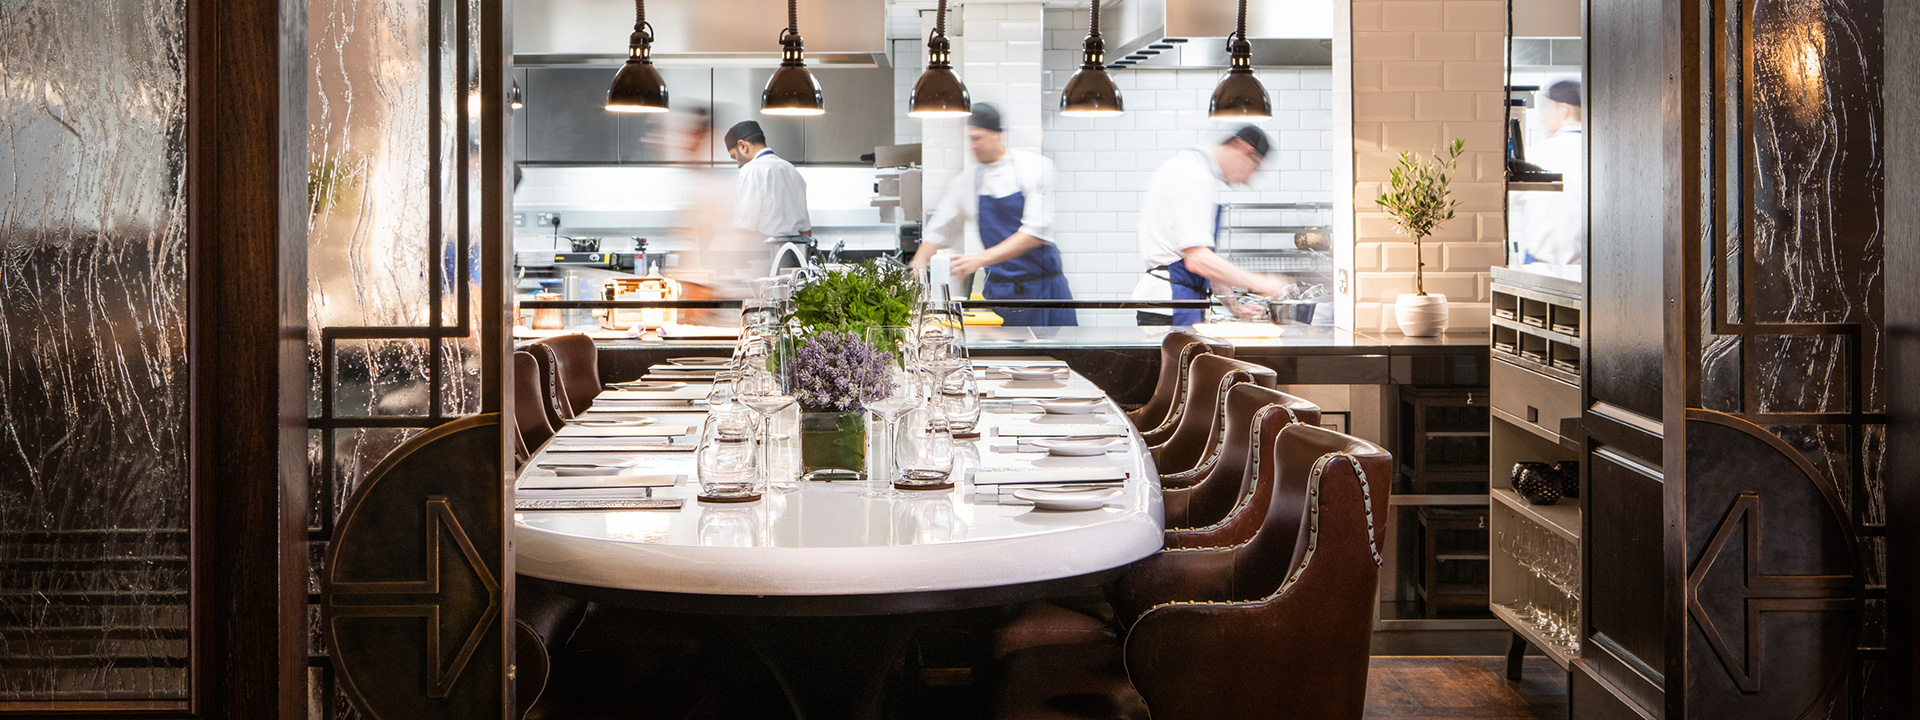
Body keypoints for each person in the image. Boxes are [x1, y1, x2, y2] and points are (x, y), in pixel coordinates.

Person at [909, 104, 1076, 326]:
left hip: (1044, 291)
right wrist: (919, 263)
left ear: (998, 135)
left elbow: (1035, 233)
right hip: (1001, 295)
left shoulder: (1035, 168)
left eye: (978, 138)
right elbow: (941, 229)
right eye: (969, 139)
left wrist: (978, 260)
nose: (972, 145)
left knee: (1056, 357)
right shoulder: (965, 182)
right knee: (1003, 360)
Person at [1131, 126, 1292, 326]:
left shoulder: (1194, 170)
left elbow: (1202, 257)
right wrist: (1263, 282)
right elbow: (1198, 260)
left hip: (1179, 300)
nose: (1248, 181)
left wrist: (1233, 305)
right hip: (1171, 302)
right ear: (1244, 150)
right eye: (1255, 168)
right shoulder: (1193, 174)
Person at [1510, 78, 1584, 269]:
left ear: (1564, 110)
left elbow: (1503, 202)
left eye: (1546, 109)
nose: (1542, 118)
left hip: (1541, 269)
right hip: (1588, 275)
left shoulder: (1537, 155)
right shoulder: (1600, 155)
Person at [724, 121, 812, 273]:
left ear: (743, 146)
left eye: (734, 157)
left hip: (763, 263)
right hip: (795, 264)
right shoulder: (791, 170)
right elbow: (806, 231)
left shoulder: (751, 171)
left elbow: (744, 227)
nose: (738, 164)